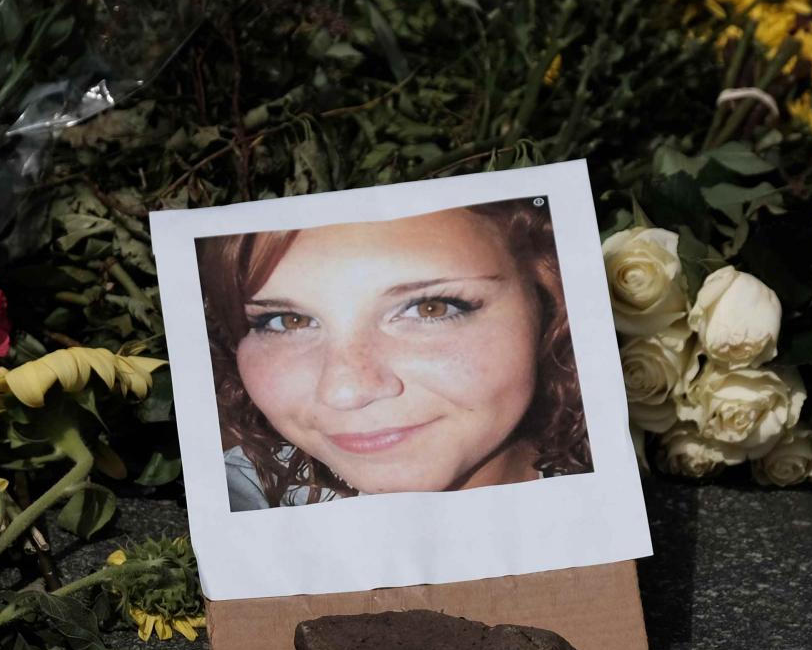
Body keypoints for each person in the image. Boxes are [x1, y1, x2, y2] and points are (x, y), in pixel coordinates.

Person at [199, 199, 589, 509]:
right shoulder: (233, 499)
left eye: (430, 308)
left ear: (551, 302)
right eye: (287, 321)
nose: (345, 391)